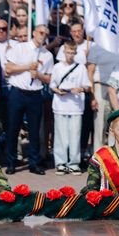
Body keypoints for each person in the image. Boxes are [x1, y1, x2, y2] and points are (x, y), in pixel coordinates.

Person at [3, 23, 52, 174]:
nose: (42, 35)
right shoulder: (20, 47)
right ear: (34, 33)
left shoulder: (47, 55)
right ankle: (11, 162)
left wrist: (38, 75)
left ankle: (34, 162)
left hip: (35, 94)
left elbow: (48, 79)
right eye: (40, 32)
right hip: (17, 93)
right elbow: (9, 69)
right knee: (13, 128)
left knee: (34, 131)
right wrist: (27, 67)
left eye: (45, 34)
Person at [49, 40, 89, 174]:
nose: (70, 55)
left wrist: (80, 88)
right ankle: (60, 162)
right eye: (68, 52)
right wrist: (58, 90)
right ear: (64, 52)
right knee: (60, 135)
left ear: (75, 53)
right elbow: (52, 84)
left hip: (76, 106)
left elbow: (87, 86)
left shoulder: (81, 67)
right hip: (60, 104)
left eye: (72, 53)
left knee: (74, 136)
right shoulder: (57, 67)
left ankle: (74, 163)